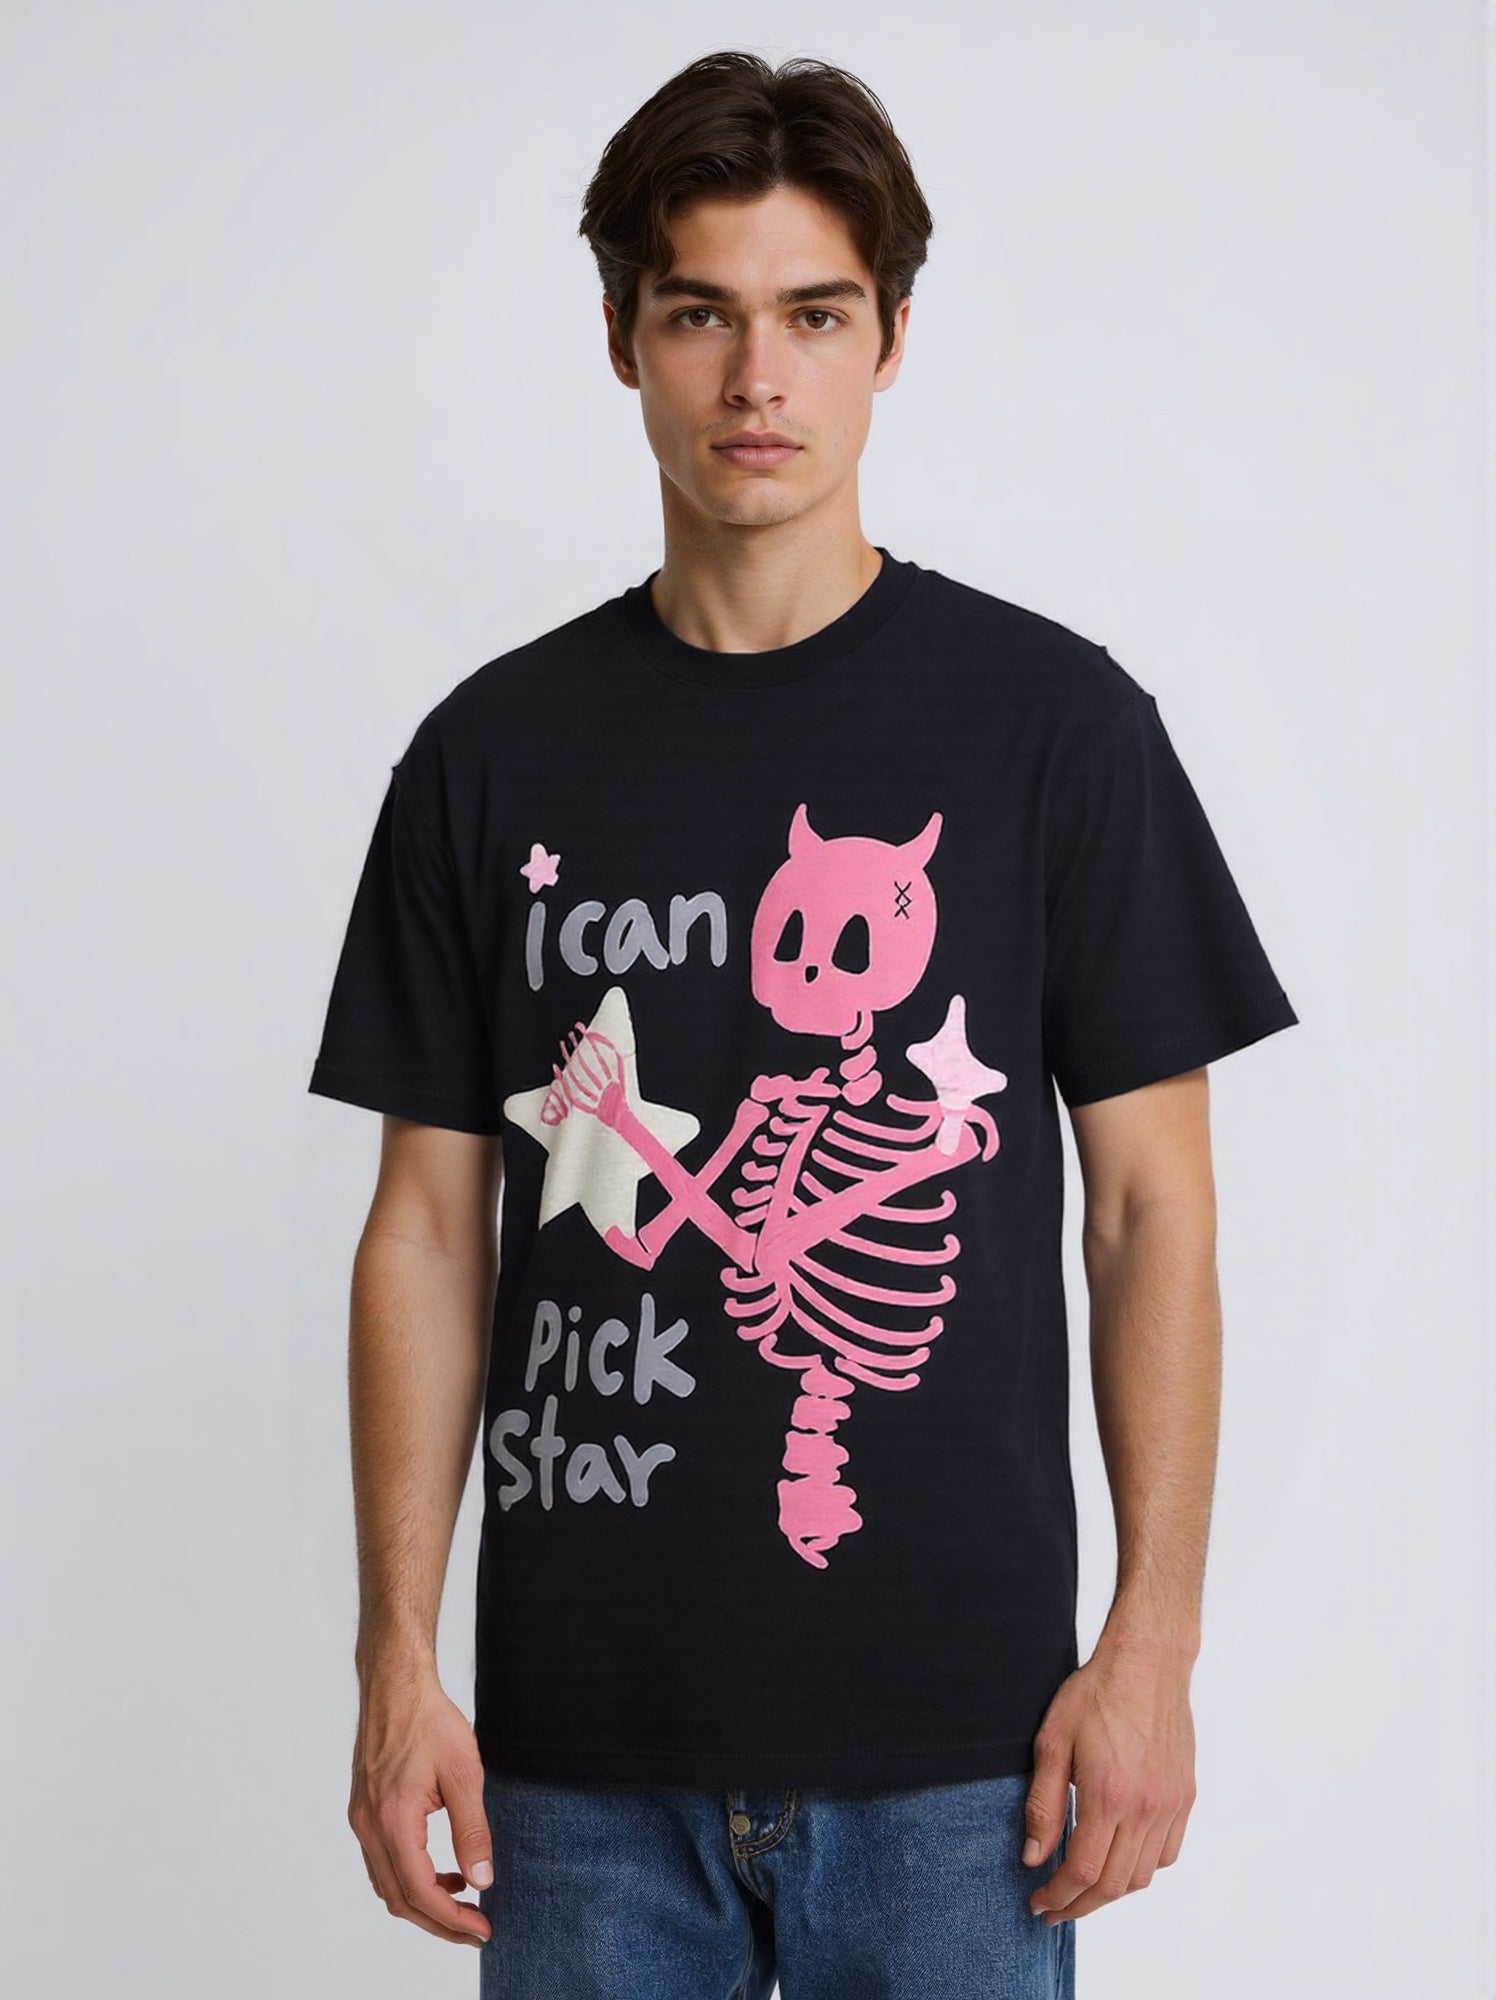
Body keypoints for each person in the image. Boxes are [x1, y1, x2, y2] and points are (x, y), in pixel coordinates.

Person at [306, 49, 1299, 2000]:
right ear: (621, 337)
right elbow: (426, 1225)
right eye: (701, 314)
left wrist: (1154, 1646)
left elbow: (1150, 1211)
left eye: (815, 316)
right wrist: (397, 1656)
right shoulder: (489, 754)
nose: (757, 377)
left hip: (965, 1760)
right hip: (579, 1761)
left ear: (891, 340)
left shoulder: (1054, 731)